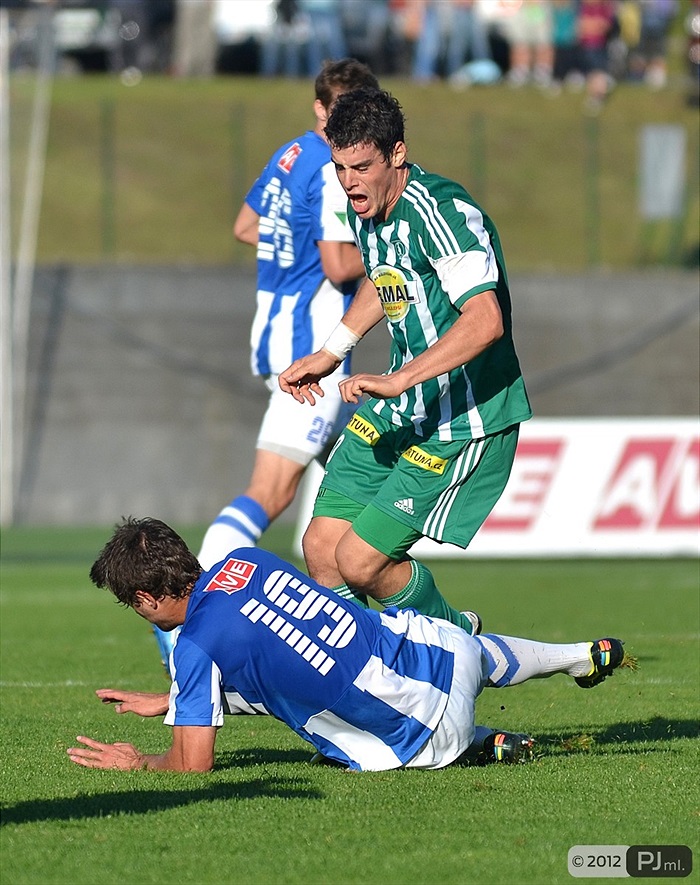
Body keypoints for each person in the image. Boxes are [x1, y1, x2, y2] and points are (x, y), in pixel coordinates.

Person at [67, 518, 635, 773]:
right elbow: (280, 662)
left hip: (424, 732)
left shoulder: (193, 647)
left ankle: (483, 742)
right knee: (463, 649)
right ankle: (573, 656)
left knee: (344, 738)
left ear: (146, 598)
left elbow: (193, 765)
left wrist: (139, 761)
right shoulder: (248, 561)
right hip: (442, 652)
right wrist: (177, 702)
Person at [151, 59, 380, 668]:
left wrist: (295, 243)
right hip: (310, 350)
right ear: (324, 110)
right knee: (270, 492)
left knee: (355, 494)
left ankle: (369, 633)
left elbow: (245, 226)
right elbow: (338, 265)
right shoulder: (332, 168)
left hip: (277, 333)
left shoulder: (289, 155)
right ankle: (185, 621)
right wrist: (397, 250)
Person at [279, 88, 531, 636]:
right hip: (404, 407)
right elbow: (385, 277)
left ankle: (460, 640)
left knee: (359, 562)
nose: (350, 182)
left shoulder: (441, 211)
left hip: (463, 418)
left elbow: (485, 320)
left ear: (397, 154)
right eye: (340, 168)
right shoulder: (367, 209)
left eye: (362, 167)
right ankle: (372, 677)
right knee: (322, 549)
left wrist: (400, 378)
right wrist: (330, 353)